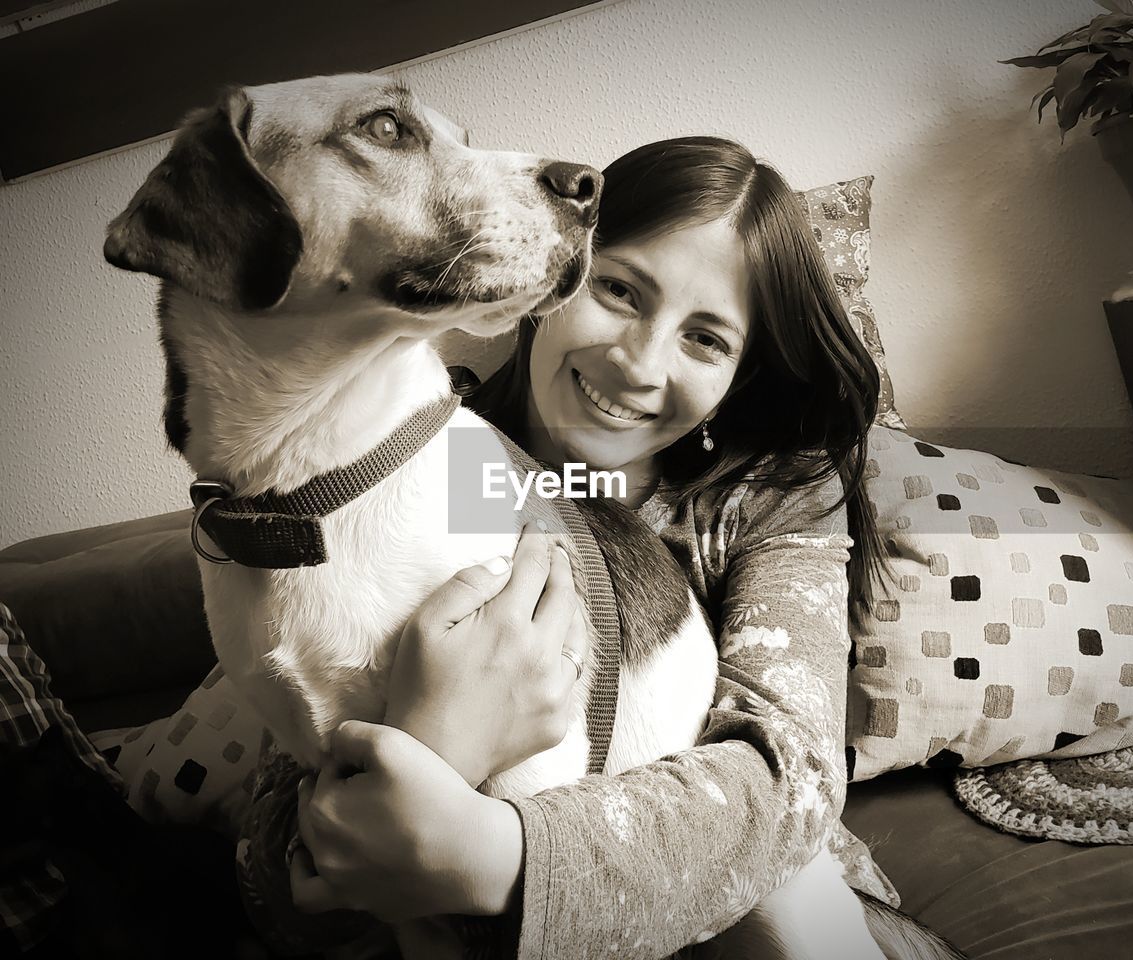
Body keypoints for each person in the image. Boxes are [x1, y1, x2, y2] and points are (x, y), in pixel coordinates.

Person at [264, 136, 913, 959]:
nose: (638, 363)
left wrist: (500, 854)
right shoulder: (405, 463)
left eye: (706, 339)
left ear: (739, 379)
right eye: (617, 289)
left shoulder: (773, 495)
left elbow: (792, 781)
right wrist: (435, 747)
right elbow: (282, 859)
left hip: (760, 908)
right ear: (552, 270)